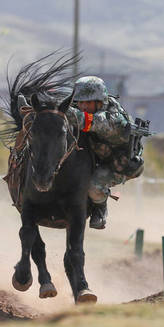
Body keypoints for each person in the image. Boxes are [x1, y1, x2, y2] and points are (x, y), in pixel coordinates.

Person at [66, 76, 145, 230]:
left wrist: (58, 109)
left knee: (94, 187)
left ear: (99, 102)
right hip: (98, 155)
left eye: (87, 103)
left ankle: (100, 209)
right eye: (79, 102)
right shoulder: (85, 107)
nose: (82, 106)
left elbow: (86, 121)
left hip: (120, 164)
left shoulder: (111, 118)